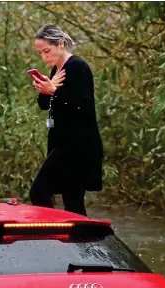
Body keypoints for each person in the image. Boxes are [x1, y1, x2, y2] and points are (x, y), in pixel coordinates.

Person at [28, 24, 104, 216]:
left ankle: (50, 237)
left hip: (78, 145)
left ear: (60, 44)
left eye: (47, 51)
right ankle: (80, 243)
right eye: (41, 53)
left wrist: (54, 90)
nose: (44, 57)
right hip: (62, 143)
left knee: (39, 192)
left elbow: (83, 107)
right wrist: (49, 88)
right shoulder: (56, 70)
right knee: (73, 202)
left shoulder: (77, 67)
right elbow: (45, 105)